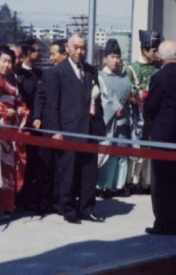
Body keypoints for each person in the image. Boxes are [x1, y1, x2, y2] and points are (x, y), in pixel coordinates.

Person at [44, 33, 106, 224]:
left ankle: (87, 208)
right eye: (76, 47)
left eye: (83, 48)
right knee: (68, 172)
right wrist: (56, 131)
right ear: (67, 48)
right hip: (69, 129)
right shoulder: (57, 72)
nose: (80, 52)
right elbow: (52, 105)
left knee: (89, 172)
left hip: (89, 130)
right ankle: (68, 209)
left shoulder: (90, 71)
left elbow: (96, 101)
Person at [143, 40, 176, 235]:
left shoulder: (158, 77)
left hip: (162, 135)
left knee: (161, 180)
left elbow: (151, 106)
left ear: (160, 57)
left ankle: (163, 223)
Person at [0, 46, 29, 220]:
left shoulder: (11, 80)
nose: (6, 65)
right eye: (3, 60)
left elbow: (19, 100)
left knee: (9, 168)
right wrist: (2, 110)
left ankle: (6, 205)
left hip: (11, 128)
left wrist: (20, 110)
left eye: (9, 62)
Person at [30, 38, 67, 214]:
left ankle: (60, 201)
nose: (51, 58)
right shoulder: (48, 74)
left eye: (54, 54)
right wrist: (37, 116)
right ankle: (44, 201)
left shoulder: (73, 75)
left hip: (66, 127)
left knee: (63, 168)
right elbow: (40, 96)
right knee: (45, 166)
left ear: (64, 54)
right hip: (47, 126)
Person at [125, 30, 161, 194]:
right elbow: (126, 92)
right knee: (136, 146)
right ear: (144, 50)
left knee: (149, 148)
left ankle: (146, 182)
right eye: (153, 50)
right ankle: (132, 181)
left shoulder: (158, 69)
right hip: (136, 117)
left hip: (152, 117)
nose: (156, 53)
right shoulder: (131, 69)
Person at [97, 39, 133, 198]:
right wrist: (113, 109)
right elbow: (103, 99)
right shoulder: (100, 77)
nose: (116, 60)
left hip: (124, 123)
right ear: (105, 58)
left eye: (118, 56)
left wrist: (134, 99)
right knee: (108, 154)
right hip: (108, 123)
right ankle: (104, 186)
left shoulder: (125, 77)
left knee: (122, 154)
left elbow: (131, 92)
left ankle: (119, 186)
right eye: (112, 56)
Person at [15, 40, 43, 212]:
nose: (39, 54)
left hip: (35, 123)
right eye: (36, 51)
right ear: (27, 53)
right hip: (20, 123)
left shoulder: (40, 74)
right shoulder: (19, 75)